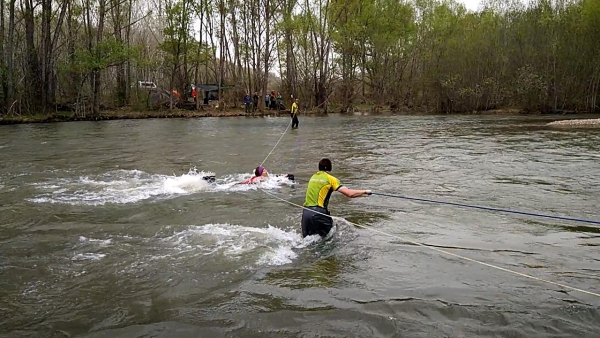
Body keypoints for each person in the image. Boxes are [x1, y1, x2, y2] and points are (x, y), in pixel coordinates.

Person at [301, 158, 371, 238]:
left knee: (307, 241)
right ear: (330, 168)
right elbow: (350, 194)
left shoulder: (313, 177)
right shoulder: (331, 179)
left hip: (306, 213)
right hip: (319, 213)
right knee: (330, 237)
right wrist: (365, 192)